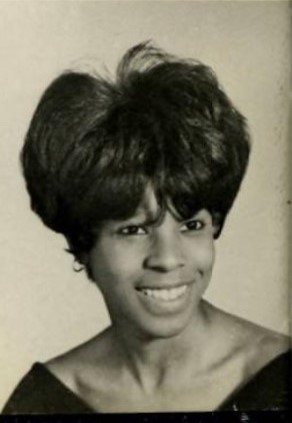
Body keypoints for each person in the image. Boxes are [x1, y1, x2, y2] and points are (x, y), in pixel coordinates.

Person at [2, 41, 290, 414]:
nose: (169, 259)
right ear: (83, 244)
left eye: (191, 224)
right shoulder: (43, 404)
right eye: (134, 229)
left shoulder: (279, 380)